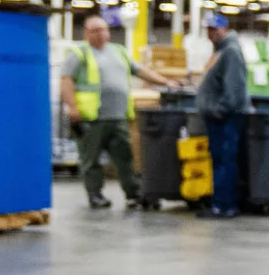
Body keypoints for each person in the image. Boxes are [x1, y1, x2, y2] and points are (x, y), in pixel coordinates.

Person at [62, 12, 180, 209]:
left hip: (118, 116)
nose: (99, 34)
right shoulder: (79, 53)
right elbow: (66, 80)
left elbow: (140, 70)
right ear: (86, 33)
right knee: (90, 160)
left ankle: (133, 194)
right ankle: (95, 194)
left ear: (108, 32)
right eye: (94, 31)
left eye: (102, 30)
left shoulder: (119, 51)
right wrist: (72, 107)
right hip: (91, 118)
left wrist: (166, 81)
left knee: (125, 157)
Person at [194, 15, 250, 218]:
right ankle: (220, 202)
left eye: (215, 29)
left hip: (226, 118)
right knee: (219, 159)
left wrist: (220, 110)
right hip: (217, 117)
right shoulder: (219, 52)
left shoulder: (231, 51)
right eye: (209, 29)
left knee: (225, 159)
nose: (211, 33)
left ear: (225, 29)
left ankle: (225, 205)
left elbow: (235, 88)